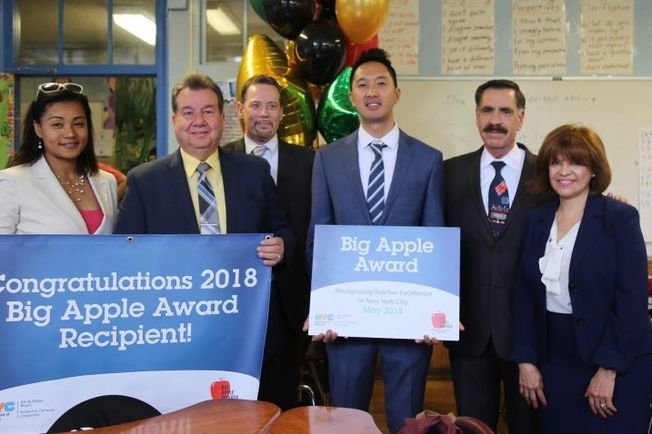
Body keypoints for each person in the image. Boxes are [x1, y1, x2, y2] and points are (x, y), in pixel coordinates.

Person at [306, 48, 444, 434]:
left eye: (381, 83)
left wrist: (435, 310)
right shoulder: (328, 159)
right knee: (346, 421)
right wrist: (322, 308)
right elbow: (319, 237)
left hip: (409, 321)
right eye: (362, 84)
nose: (372, 91)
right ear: (351, 97)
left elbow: (433, 239)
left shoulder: (429, 159)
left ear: (396, 93)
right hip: (346, 323)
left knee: (407, 421)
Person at [512, 124, 652, 434]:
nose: (564, 171)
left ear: (593, 169)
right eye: (555, 162)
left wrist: (608, 368)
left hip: (616, 359)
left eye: (575, 162)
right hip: (555, 361)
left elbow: (631, 300)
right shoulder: (536, 220)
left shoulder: (619, 218)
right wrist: (526, 360)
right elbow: (524, 295)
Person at [443, 79, 542, 433]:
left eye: (505, 111)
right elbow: (433, 245)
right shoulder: (448, 174)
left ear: (521, 118)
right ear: (476, 116)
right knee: (472, 427)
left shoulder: (546, 175)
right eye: (487, 110)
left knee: (528, 427)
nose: (495, 120)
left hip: (528, 336)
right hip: (468, 333)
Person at [115, 72, 292, 265]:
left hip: (242, 293)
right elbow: (124, 253)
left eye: (208, 111)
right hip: (173, 294)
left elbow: (283, 232)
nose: (199, 121)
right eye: (188, 113)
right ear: (175, 121)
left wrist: (280, 247)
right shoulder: (144, 182)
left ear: (222, 118)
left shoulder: (255, 172)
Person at [223, 74, 314, 410]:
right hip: (233, 303)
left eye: (272, 106)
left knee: (281, 402)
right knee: (233, 402)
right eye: (256, 105)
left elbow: (313, 230)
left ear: (281, 112)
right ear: (240, 109)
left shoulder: (309, 162)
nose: (264, 113)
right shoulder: (220, 160)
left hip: (290, 303)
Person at [0, 82, 117, 234]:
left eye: (79, 123)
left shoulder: (107, 181)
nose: (70, 133)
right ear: (38, 128)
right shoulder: (12, 182)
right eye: (57, 124)